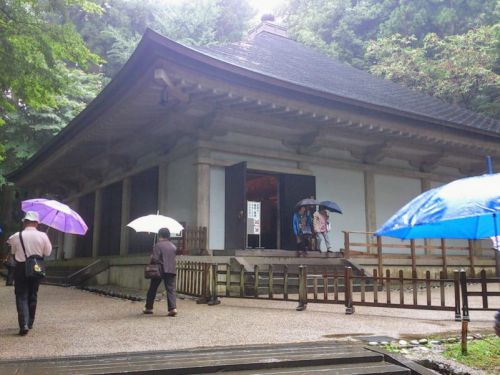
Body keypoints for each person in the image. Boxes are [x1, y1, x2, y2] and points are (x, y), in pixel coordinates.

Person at [7, 211, 52, 335]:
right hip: (36, 267)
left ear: (25, 222)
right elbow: (47, 253)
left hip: (21, 268)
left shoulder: (17, 235)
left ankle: (24, 324)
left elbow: (14, 252)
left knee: (21, 295)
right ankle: (30, 322)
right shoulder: (43, 235)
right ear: (37, 223)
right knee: (33, 294)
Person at [143, 227, 178, 316]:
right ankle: (172, 308)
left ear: (160, 235)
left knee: (153, 288)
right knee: (170, 289)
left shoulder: (158, 245)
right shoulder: (173, 246)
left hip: (159, 270)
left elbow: (155, 259)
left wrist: (151, 257)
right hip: (170, 269)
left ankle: (149, 307)